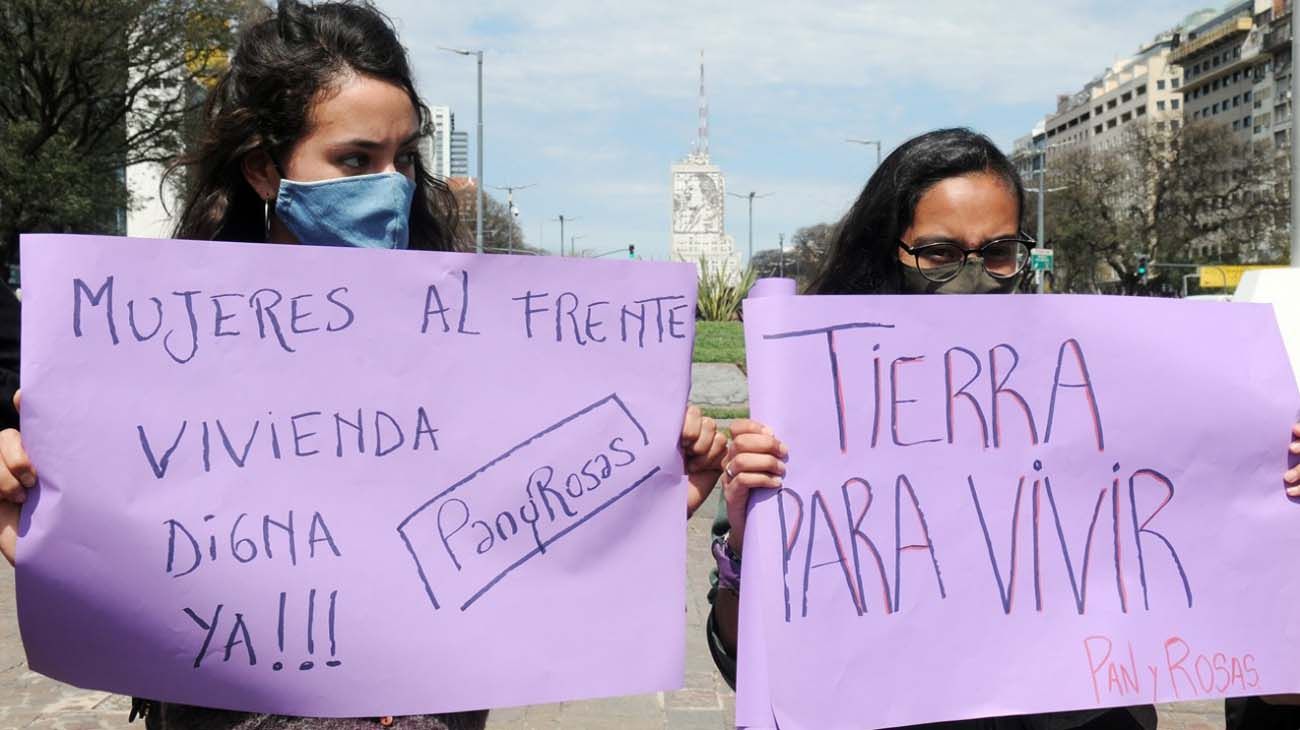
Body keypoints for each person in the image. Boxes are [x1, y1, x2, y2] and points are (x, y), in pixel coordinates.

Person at [0, 1, 726, 728]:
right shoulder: (152, 354)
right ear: (263, 169)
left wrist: (636, 507)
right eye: (355, 160)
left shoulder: (480, 348)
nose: (393, 185)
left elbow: (499, 541)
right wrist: (39, 501)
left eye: (403, 157)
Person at [706, 127, 1300, 730]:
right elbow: (742, 663)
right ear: (888, 248)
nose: (974, 279)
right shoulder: (812, 403)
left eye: (997, 252)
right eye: (938, 254)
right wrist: (747, 545)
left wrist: (1272, 484)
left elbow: (1209, 535)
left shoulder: (1098, 375)